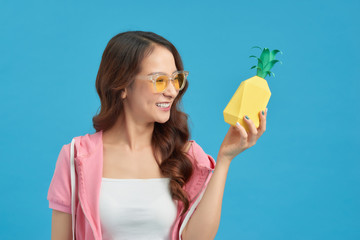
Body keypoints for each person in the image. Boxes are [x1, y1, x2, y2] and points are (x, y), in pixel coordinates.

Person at [47, 31, 268, 240]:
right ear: (122, 86)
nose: (172, 91)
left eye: (176, 79)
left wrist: (225, 159)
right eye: (160, 80)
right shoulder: (76, 157)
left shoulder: (187, 155)